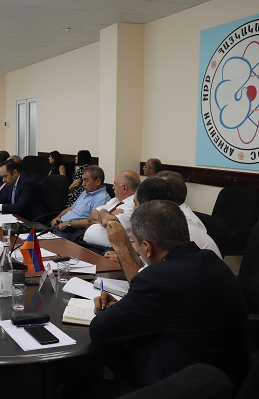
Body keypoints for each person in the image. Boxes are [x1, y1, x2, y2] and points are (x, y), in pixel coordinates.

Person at [88, 200, 249, 397]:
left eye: (135, 243)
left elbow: (99, 331)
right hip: (225, 383)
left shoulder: (156, 279)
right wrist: (129, 307)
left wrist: (112, 312)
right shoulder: (213, 261)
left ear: (147, 248)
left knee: (77, 389)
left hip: (178, 388)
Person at [105, 177, 221, 280]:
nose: (134, 209)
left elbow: (142, 283)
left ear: (149, 207)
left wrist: (121, 247)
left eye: (135, 204)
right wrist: (125, 241)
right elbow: (144, 270)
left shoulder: (177, 231)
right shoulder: (164, 225)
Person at [50, 165, 111, 239]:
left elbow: (92, 221)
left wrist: (68, 223)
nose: (83, 184)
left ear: (98, 181)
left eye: (86, 180)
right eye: (83, 180)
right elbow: (71, 208)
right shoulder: (85, 192)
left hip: (72, 231)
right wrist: (58, 217)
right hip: (60, 225)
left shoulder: (102, 198)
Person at [82, 170, 139, 248]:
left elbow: (106, 221)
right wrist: (108, 214)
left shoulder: (133, 206)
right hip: (90, 245)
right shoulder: (115, 200)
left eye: (115, 184)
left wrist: (103, 213)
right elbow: (92, 215)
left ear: (124, 188)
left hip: (108, 250)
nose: (113, 187)